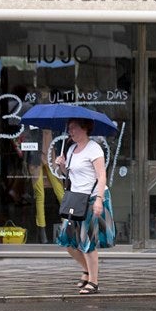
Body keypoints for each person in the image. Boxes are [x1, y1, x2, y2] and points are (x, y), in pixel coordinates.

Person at [55, 118, 115, 294]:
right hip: (76, 199)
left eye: (73, 128)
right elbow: (70, 175)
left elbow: (102, 175)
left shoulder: (94, 148)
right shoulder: (72, 148)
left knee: (87, 241)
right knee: (67, 242)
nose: (70, 131)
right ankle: (87, 270)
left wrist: (98, 200)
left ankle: (94, 282)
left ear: (84, 128)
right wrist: (62, 167)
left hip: (92, 198)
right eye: (69, 128)